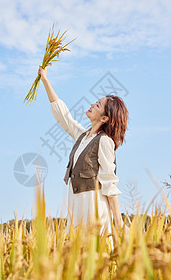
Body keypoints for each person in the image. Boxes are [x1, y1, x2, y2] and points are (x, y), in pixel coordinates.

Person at [38, 65, 130, 247]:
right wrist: (45, 81)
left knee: (95, 257)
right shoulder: (82, 136)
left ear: (104, 118)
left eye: (97, 105)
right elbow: (64, 117)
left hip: (93, 206)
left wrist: (118, 223)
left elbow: (110, 183)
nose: (92, 105)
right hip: (76, 204)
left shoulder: (104, 142)